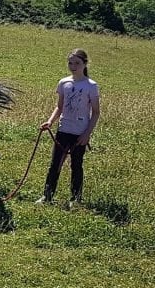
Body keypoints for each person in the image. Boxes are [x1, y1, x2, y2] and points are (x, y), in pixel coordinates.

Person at [36, 48, 101, 207]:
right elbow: (59, 107)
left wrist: (87, 134)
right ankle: (47, 196)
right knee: (55, 164)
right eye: (70, 63)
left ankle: (76, 199)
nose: (73, 66)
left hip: (80, 133)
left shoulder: (91, 86)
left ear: (85, 64)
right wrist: (50, 121)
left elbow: (96, 113)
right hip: (63, 129)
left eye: (77, 63)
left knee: (76, 165)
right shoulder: (63, 82)